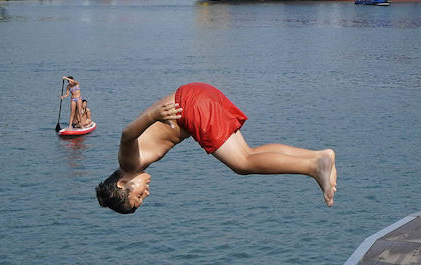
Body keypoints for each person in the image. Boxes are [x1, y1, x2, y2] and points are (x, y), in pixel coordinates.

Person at [95, 82, 336, 213]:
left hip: (192, 107)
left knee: (243, 164)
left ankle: (314, 166)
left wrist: (152, 115)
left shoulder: (128, 164)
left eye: (138, 196)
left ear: (122, 184)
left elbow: (126, 134)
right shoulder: (137, 164)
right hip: (196, 97)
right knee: (248, 156)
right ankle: (318, 158)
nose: (146, 194)